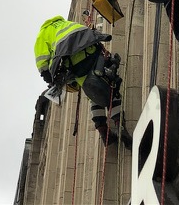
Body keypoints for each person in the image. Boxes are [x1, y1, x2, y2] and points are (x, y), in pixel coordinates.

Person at [34, 16, 133, 148]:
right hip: (92, 54)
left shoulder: (43, 34)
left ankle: (103, 130)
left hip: (76, 65)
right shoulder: (67, 24)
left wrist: (49, 78)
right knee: (110, 87)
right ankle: (119, 123)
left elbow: (41, 61)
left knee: (93, 94)